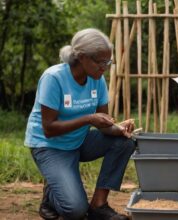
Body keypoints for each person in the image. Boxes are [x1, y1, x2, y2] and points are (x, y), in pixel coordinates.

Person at [24, 28, 135, 220]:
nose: (105, 68)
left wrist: (118, 128)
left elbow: (103, 123)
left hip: (79, 141)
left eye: (108, 62)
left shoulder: (97, 80)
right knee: (75, 211)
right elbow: (49, 129)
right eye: (101, 62)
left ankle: (99, 205)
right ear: (82, 57)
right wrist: (88, 119)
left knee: (124, 142)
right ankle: (51, 192)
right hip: (50, 146)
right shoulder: (54, 78)